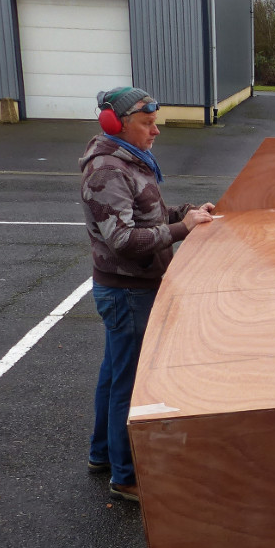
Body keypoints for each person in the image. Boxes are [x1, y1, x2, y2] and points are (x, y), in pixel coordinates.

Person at [80, 86, 214, 503]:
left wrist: (187, 213)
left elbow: (147, 215)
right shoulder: (107, 171)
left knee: (114, 375)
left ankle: (102, 455)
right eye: (147, 123)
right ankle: (126, 476)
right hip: (127, 293)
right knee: (129, 384)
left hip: (134, 289)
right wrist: (181, 230)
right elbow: (122, 238)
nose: (156, 131)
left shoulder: (131, 161)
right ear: (116, 124)